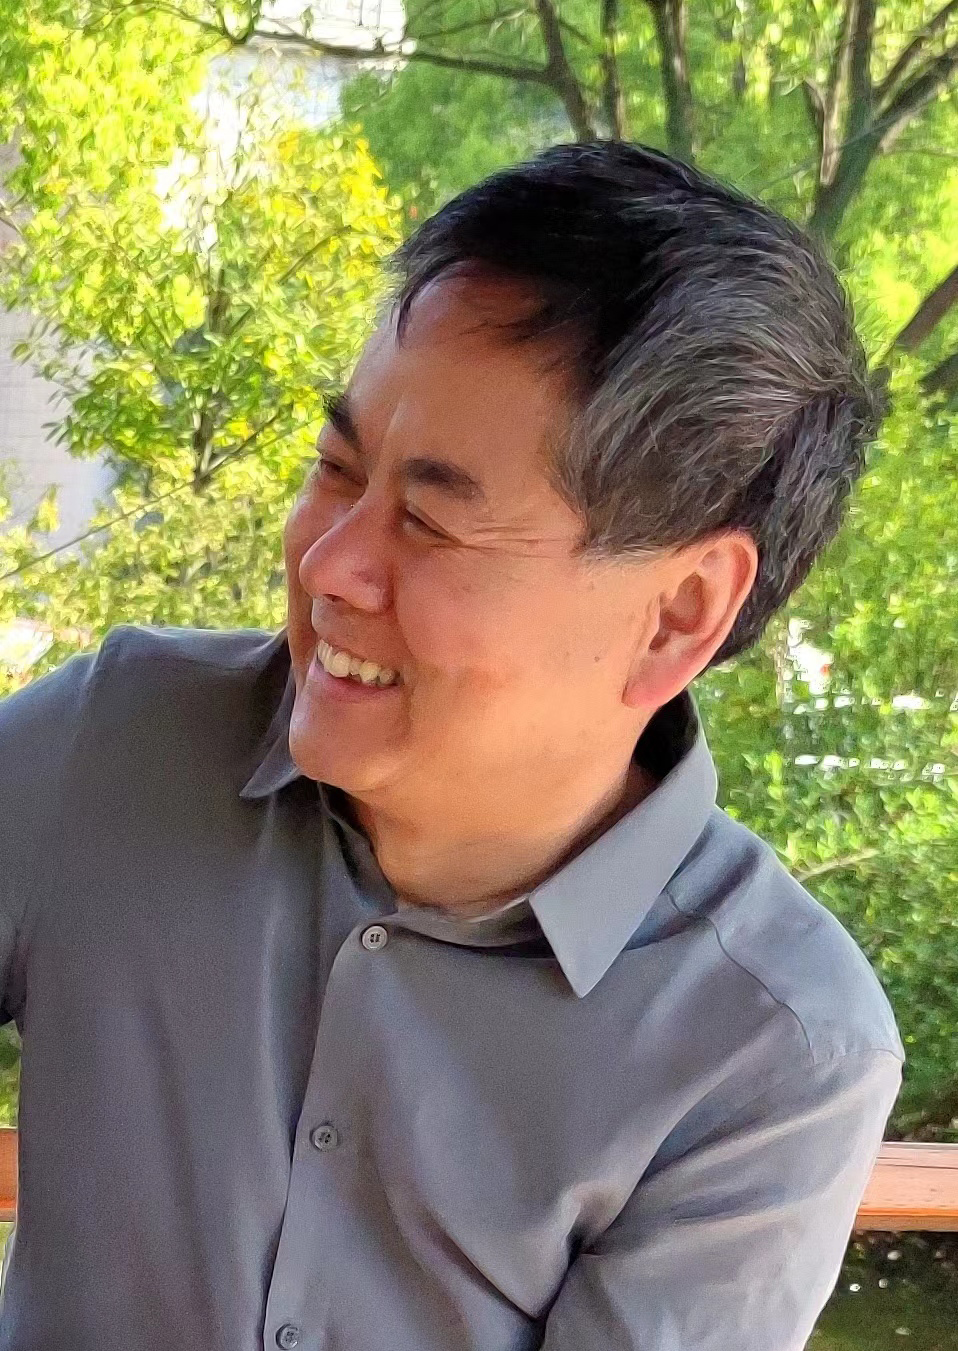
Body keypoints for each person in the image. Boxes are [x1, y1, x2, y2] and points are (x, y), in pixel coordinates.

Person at [0, 141, 901, 1351]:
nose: (329, 567)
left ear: (677, 615)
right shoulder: (113, 744)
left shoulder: (771, 1051)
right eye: (337, 469)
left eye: (428, 522)